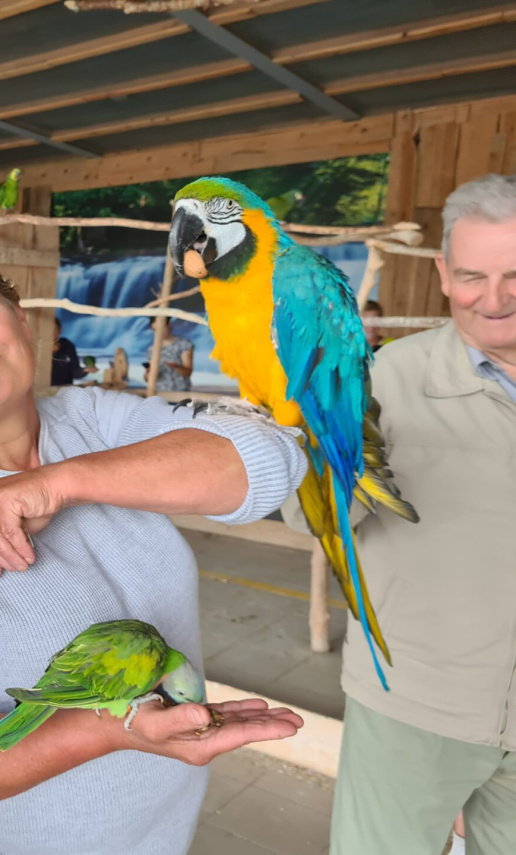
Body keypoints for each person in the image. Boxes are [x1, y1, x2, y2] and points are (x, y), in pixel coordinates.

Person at [0, 229, 307, 855]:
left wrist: (63, 482)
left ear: (20, 319)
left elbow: (274, 458)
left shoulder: (90, 419)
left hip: (161, 830)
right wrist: (113, 730)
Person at [283, 174, 516, 855]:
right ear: (442, 273)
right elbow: (308, 521)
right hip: (414, 705)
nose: (494, 300)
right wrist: (331, 456)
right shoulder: (379, 381)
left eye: (515, 275)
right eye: (472, 275)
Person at [143, 318, 194, 391]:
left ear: (169, 325)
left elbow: (188, 373)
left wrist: (176, 367)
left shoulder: (184, 344)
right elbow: (147, 378)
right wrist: (149, 373)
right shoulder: (151, 349)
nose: (159, 332)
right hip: (158, 394)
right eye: (155, 329)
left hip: (180, 393)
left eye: (161, 328)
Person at [50, 316, 87, 385]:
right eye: (49, 329)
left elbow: (75, 371)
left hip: (64, 390)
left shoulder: (67, 345)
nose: (52, 332)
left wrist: (85, 370)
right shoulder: (36, 347)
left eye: (55, 329)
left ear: (60, 330)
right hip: (40, 390)